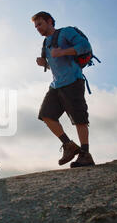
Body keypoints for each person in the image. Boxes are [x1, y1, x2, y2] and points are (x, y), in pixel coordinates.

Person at [32, 11, 95, 168]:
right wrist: (44, 64)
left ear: (50, 21)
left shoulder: (66, 32)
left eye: (40, 24)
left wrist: (63, 51)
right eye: (35, 26)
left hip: (73, 80)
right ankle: (68, 145)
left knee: (79, 118)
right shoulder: (45, 43)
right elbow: (54, 64)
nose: (38, 28)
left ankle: (85, 154)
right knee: (46, 115)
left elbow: (85, 46)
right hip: (56, 85)